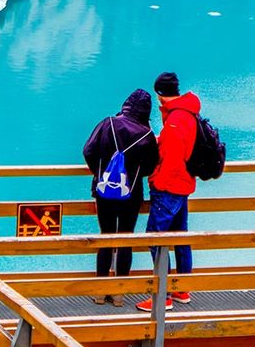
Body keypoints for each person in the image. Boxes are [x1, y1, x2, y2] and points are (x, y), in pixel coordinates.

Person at [83, 89, 158, 306]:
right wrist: (132, 174)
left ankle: (100, 291)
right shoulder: (146, 135)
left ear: (126, 105)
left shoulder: (107, 123)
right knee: (126, 239)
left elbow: (88, 151)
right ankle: (119, 293)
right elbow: (151, 165)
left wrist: (100, 173)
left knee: (105, 236)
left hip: (104, 191)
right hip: (131, 194)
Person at [136, 71, 200, 312]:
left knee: (155, 238)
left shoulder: (175, 121)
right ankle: (182, 288)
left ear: (159, 94)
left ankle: (162, 297)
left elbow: (172, 160)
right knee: (180, 236)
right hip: (183, 185)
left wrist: (155, 181)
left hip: (169, 188)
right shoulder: (188, 113)